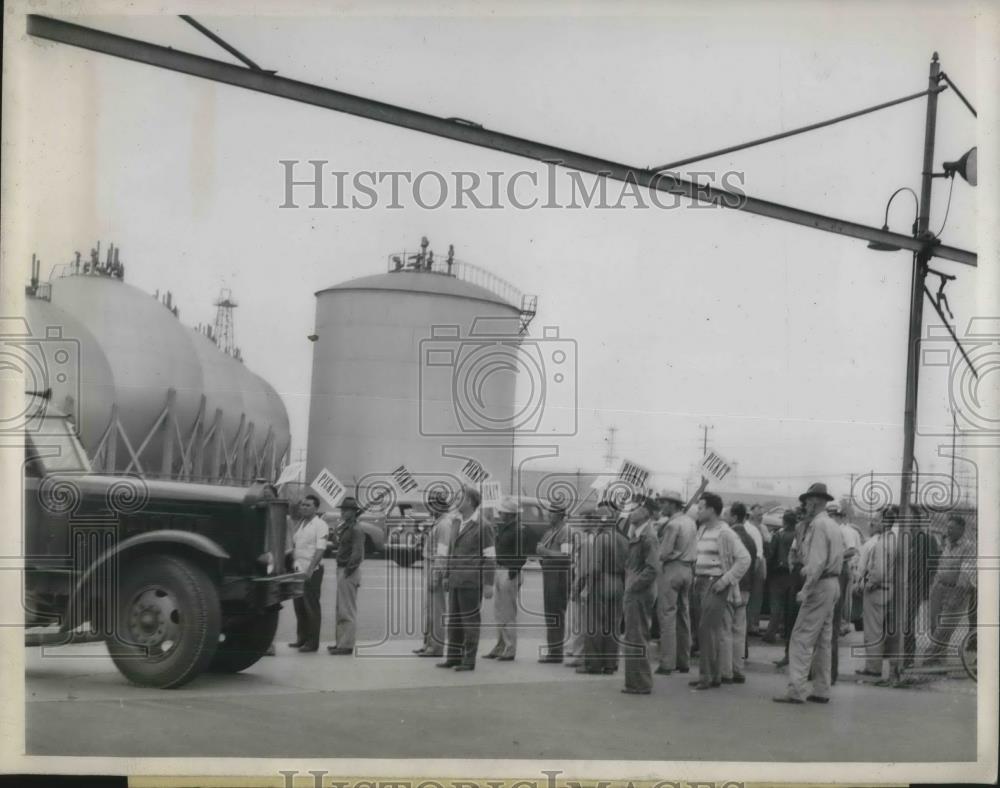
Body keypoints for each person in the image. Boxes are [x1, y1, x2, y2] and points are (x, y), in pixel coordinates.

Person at [774, 483, 845, 704]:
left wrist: (806, 589)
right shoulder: (832, 525)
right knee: (824, 639)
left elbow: (816, 562)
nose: (804, 505)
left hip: (819, 584)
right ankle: (822, 689)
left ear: (814, 501)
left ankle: (796, 689)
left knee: (801, 637)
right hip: (833, 584)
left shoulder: (818, 525)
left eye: (806, 502)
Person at [690, 492, 751, 690]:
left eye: (700, 507)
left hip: (714, 584)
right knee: (709, 631)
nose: (697, 511)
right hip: (700, 582)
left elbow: (745, 559)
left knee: (706, 630)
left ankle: (706, 677)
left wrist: (725, 581)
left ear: (712, 510)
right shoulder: (702, 531)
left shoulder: (725, 532)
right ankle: (713, 675)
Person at [438, 486, 495, 671]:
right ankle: (453, 657)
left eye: (460, 498)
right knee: (454, 621)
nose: (456, 501)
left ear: (470, 502)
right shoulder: (456, 522)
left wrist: (488, 584)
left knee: (470, 622)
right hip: (455, 580)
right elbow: (451, 551)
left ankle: (469, 660)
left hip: (471, 581)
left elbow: (490, 557)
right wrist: (446, 575)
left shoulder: (484, 526)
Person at [575, 504, 628, 675]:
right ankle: (610, 664)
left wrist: (586, 588)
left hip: (602, 580)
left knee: (595, 624)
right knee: (613, 626)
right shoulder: (623, 538)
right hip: (618, 582)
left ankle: (594, 664)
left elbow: (595, 567)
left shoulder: (601, 538)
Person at [654, 489, 697, 675]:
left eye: (664, 502)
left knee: (667, 615)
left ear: (672, 504)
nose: (661, 506)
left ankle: (667, 662)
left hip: (672, 569)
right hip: (688, 569)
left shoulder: (672, 525)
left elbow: (663, 553)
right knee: (683, 615)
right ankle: (683, 660)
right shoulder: (690, 522)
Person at [924, 514, 976, 665]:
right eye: (947, 527)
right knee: (935, 625)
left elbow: (966, 573)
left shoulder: (969, 547)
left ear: (961, 530)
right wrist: (934, 586)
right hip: (939, 588)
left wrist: (958, 593)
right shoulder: (946, 544)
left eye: (952, 528)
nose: (948, 530)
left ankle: (928, 657)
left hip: (956, 591)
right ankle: (939, 660)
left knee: (944, 627)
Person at [621, 497, 660, 695]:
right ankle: (635, 682)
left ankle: (641, 683)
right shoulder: (638, 532)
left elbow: (653, 568)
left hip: (639, 592)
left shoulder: (648, 535)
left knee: (637, 636)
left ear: (645, 512)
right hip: (636, 590)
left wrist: (633, 586)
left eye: (635, 508)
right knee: (633, 636)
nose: (631, 511)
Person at [856, 505, 897, 678]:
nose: (875, 522)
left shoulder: (882, 543)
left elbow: (878, 572)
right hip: (889, 588)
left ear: (884, 522)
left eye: (878, 519)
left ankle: (873, 668)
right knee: (883, 630)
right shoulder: (894, 539)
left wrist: (868, 584)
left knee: (873, 631)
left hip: (878, 590)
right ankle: (881, 666)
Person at [483, 496, 526, 661]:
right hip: (502, 570)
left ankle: (509, 648)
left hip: (508, 571)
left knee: (507, 613)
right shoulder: (506, 528)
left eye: (503, 512)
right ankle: (501, 645)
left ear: (510, 514)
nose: (500, 514)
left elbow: (522, 556)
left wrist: (512, 571)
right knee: (500, 612)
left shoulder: (517, 530)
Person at [414, 490, 455, 658]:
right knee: (429, 610)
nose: (430, 507)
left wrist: (437, 575)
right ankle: (428, 643)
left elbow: (442, 552)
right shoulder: (438, 522)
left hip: (434, 566)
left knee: (437, 610)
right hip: (429, 564)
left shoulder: (444, 524)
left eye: (433, 503)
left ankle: (436, 647)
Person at [287, 495, 328, 653]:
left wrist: (311, 569)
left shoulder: (320, 525)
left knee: (311, 607)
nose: (303, 507)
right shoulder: (300, 523)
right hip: (298, 569)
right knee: (299, 606)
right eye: (302, 505)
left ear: (316, 508)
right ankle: (301, 638)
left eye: (308, 505)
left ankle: (312, 642)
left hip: (312, 571)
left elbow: (320, 549)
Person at [327, 496, 365, 655]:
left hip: (348, 570)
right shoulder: (347, 527)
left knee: (346, 610)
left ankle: (346, 645)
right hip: (343, 569)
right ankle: (341, 642)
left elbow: (357, 554)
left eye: (345, 510)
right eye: (342, 509)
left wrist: (348, 570)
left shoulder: (356, 529)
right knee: (340, 608)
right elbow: (339, 544)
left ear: (353, 512)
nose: (342, 512)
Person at [536, 501, 572, 663]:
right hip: (549, 574)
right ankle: (553, 649)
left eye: (551, 513)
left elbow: (566, 556)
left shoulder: (565, 531)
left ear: (558, 515)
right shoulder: (552, 531)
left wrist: (545, 552)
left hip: (559, 577)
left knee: (555, 612)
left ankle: (556, 652)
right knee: (550, 613)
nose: (548, 515)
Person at [727, 502, 758, 684]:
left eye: (727, 514)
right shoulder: (751, 538)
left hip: (732, 586)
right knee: (739, 630)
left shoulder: (731, 536)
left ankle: (727, 669)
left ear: (734, 517)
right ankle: (737, 668)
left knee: (726, 630)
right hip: (746, 588)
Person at [762, 510, 797, 645]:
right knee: (790, 605)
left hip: (778, 573)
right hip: (792, 573)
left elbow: (771, 555)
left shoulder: (779, 535)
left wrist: (768, 571)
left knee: (776, 604)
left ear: (784, 521)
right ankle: (787, 632)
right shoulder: (798, 535)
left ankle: (770, 633)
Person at [744, 504, 767, 636]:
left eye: (761, 515)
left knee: (757, 596)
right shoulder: (750, 528)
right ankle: (750, 624)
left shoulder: (762, 528)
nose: (760, 517)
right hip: (753, 563)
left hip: (759, 562)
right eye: (758, 514)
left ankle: (754, 623)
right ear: (751, 514)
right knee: (752, 596)